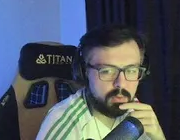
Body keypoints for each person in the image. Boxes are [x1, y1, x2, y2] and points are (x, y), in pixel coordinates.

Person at [35, 25, 166, 140]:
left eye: (131, 70)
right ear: (84, 72)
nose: (121, 84)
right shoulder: (66, 124)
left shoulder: (137, 112)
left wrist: (159, 137)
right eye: (107, 71)